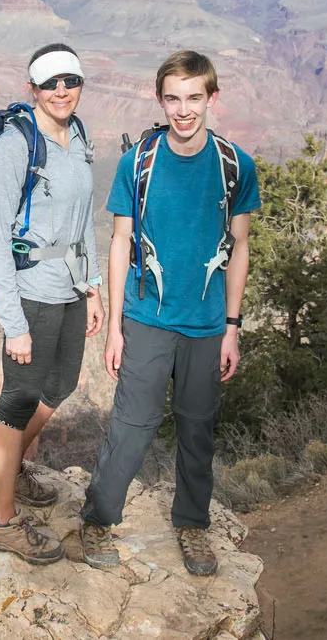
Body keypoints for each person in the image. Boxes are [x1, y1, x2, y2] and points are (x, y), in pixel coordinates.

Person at [79, 50, 260, 576]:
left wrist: (232, 328)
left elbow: (240, 247)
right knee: (132, 427)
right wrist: (114, 327)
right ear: (160, 100)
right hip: (147, 319)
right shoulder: (138, 161)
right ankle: (98, 518)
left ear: (211, 98)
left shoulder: (235, 166)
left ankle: (193, 527)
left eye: (194, 98)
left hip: (206, 325)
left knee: (198, 429)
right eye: (173, 99)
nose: (183, 110)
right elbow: (119, 241)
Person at [0, 42, 104, 565]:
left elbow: (83, 219)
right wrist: (13, 324)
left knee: (63, 384)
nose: (61, 91)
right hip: (32, 292)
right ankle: (1, 521)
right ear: (32, 89)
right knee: (18, 400)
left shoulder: (78, 136)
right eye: (50, 83)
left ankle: (3, 474)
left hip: (73, 287)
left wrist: (94, 286)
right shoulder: (16, 145)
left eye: (70, 80)